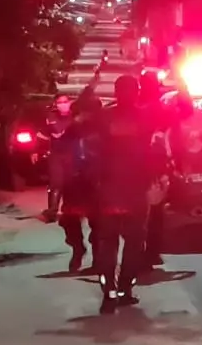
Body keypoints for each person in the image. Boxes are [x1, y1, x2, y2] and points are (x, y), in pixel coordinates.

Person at [91, 74, 159, 314]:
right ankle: (124, 290)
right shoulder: (146, 116)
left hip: (109, 191)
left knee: (107, 242)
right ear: (137, 92)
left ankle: (109, 292)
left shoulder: (103, 117)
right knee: (134, 243)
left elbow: (91, 148)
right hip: (134, 191)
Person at [139, 68, 192, 271]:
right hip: (153, 168)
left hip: (142, 168)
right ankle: (150, 252)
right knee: (155, 213)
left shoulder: (138, 107)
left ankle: (147, 251)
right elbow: (185, 112)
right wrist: (182, 86)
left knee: (150, 212)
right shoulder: (162, 109)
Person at [55, 89, 102, 272]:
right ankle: (78, 248)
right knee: (69, 219)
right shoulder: (73, 129)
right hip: (75, 181)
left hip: (96, 181)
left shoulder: (103, 129)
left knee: (98, 222)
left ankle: (98, 261)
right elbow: (60, 150)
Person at [43, 94, 74, 220]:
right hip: (56, 155)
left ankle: (71, 211)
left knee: (72, 184)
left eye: (65, 102)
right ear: (56, 104)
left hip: (73, 155)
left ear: (70, 102)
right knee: (56, 183)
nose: (63, 105)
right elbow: (43, 134)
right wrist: (36, 151)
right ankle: (52, 211)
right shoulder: (51, 118)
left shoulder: (75, 117)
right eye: (60, 102)